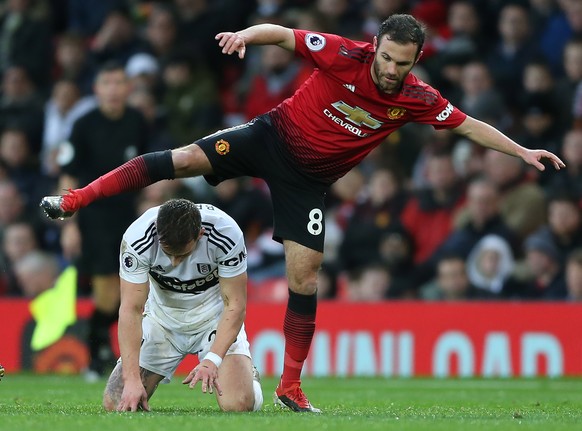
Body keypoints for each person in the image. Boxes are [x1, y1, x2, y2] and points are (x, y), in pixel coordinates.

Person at [41, 14, 565, 412]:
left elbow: (469, 124)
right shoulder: (343, 54)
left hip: (308, 182)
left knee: (305, 274)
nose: (389, 70)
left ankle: (291, 385)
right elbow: (285, 34)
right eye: (385, 58)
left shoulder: (417, 98)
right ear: (376, 46)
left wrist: (520, 151)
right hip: (269, 137)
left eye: (401, 64)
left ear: (415, 61)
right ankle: (75, 199)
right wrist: (247, 36)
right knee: (179, 161)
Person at [103, 198, 263, 413]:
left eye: (183, 254)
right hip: (161, 320)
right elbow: (131, 309)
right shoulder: (137, 238)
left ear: (200, 234)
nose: (175, 263)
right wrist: (131, 380)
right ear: (158, 233)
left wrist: (212, 360)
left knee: (238, 405)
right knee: (116, 404)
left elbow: (235, 304)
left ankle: (247, 375)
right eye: (168, 253)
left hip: (213, 318)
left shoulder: (226, 233)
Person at [54, 60, 148, 380]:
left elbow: (156, 168)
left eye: (118, 82)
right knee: (108, 291)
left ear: (128, 88)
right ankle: (96, 356)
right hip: (95, 218)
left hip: (132, 217)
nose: (113, 89)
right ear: (96, 89)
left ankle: (109, 351)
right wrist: (68, 225)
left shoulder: (138, 122)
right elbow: (67, 173)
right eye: (106, 83)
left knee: (133, 292)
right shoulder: (83, 125)